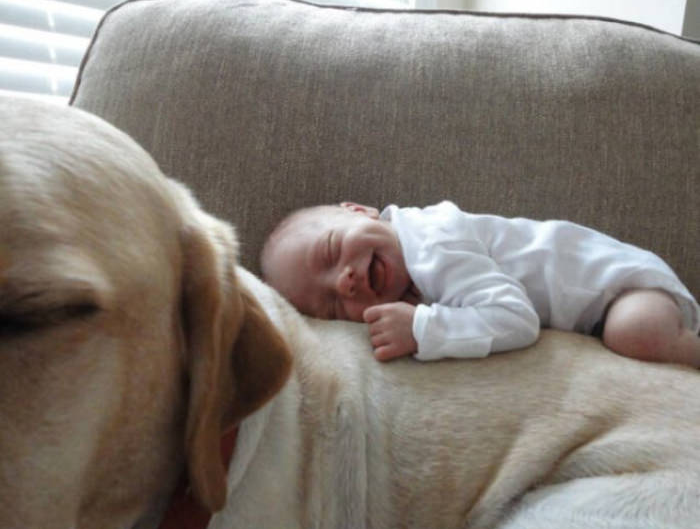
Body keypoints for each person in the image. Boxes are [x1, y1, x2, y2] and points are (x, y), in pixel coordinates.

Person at [260, 200, 700, 367]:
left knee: (635, 334)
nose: (346, 280)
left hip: (619, 287)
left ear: (360, 210)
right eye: (333, 307)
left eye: (332, 249)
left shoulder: (432, 245)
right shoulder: (407, 271)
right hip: (596, 314)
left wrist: (423, 330)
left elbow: (516, 319)